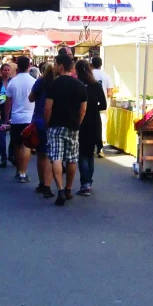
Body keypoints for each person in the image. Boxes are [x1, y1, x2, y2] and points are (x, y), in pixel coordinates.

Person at [45, 53, 88, 206]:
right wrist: (78, 123)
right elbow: (83, 109)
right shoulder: (80, 85)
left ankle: (60, 189)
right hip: (73, 126)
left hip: (56, 125)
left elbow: (48, 107)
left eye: (56, 65)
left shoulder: (54, 84)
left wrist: (48, 123)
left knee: (56, 156)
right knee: (71, 158)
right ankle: (69, 189)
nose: (55, 67)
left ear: (61, 66)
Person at [75, 59, 107, 197]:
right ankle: (88, 182)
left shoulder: (77, 85)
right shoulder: (96, 85)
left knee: (82, 153)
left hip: (81, 121)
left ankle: (85, 184)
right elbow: (104, 105)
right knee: (90, 153)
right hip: (94, 120)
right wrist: (94, 107)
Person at [5, 55, 36, 184]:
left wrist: (7, 118)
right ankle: (23, 172)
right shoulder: (33, 81)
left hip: (16, 117)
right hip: (30, 117)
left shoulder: (13, 82)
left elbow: (8, 102)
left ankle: (19, 170)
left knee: (17, 145)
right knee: (27, 145)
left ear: (17, 66)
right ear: (29, 66)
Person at [29, 63, 56, 198]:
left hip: (39, 119)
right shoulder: (58, 83)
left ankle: (42, 183)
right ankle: (48, 185)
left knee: (41, 154)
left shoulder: (40, 82)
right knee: (51, 155)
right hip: (54, 121)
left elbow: (31, 98)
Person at [91, 56, 113, 157]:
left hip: (90, 104)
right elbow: (110, 92)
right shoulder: (106, 76)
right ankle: (100, 149)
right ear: (101, 64)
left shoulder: (89, 74)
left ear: (92, 64)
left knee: (90, 125)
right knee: (102, 126)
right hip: (102, 105)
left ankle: (90, 147)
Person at [0, 62, 13, 168]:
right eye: (4, 70)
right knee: (1, 137)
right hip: (0, 112)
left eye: (8, 70)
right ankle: (3, 158)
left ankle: (12, 155)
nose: (6, 72)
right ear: (0, 71)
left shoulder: (13, 82)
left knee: (13, 137)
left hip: (12, 113)